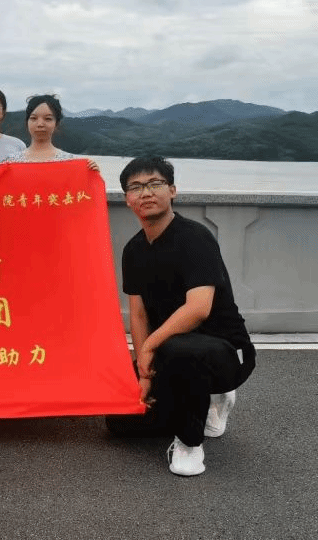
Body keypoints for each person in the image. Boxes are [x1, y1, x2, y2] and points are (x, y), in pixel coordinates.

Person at [113, 155, 256, 476]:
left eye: (155, 183)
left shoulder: (195, 238)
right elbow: (138, 314)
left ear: (172, 190)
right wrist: (143, 372)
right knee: (120, 422)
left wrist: (149, 348)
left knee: (181, 349)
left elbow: (198, 308)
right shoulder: (134, 250)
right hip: (171, 349)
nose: (145, 192)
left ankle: (190, 442)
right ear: (127, 199)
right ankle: (195, 404)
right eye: (136, 187)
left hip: (221, 350)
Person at [5, 94, 99, 170]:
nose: (40, 124)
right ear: (27, 122)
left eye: (48, 119)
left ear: (56, 123)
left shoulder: (69, 161)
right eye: (34, 118)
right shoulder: (10, 162)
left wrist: (91, 173)